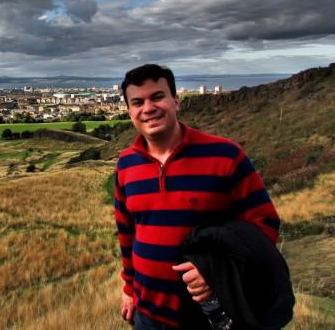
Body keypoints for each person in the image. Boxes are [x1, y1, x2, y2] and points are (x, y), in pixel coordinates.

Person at [114, 64, 280, 329]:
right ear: (129, 111)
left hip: (211, 316)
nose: (148, 108)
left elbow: (265, 226)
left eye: (157, 97)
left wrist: (217, 271)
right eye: (137, 102)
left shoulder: (226, 156)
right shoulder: (125, 164)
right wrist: (129, 288)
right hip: (149, 316)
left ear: (176, 102)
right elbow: (127, 235)